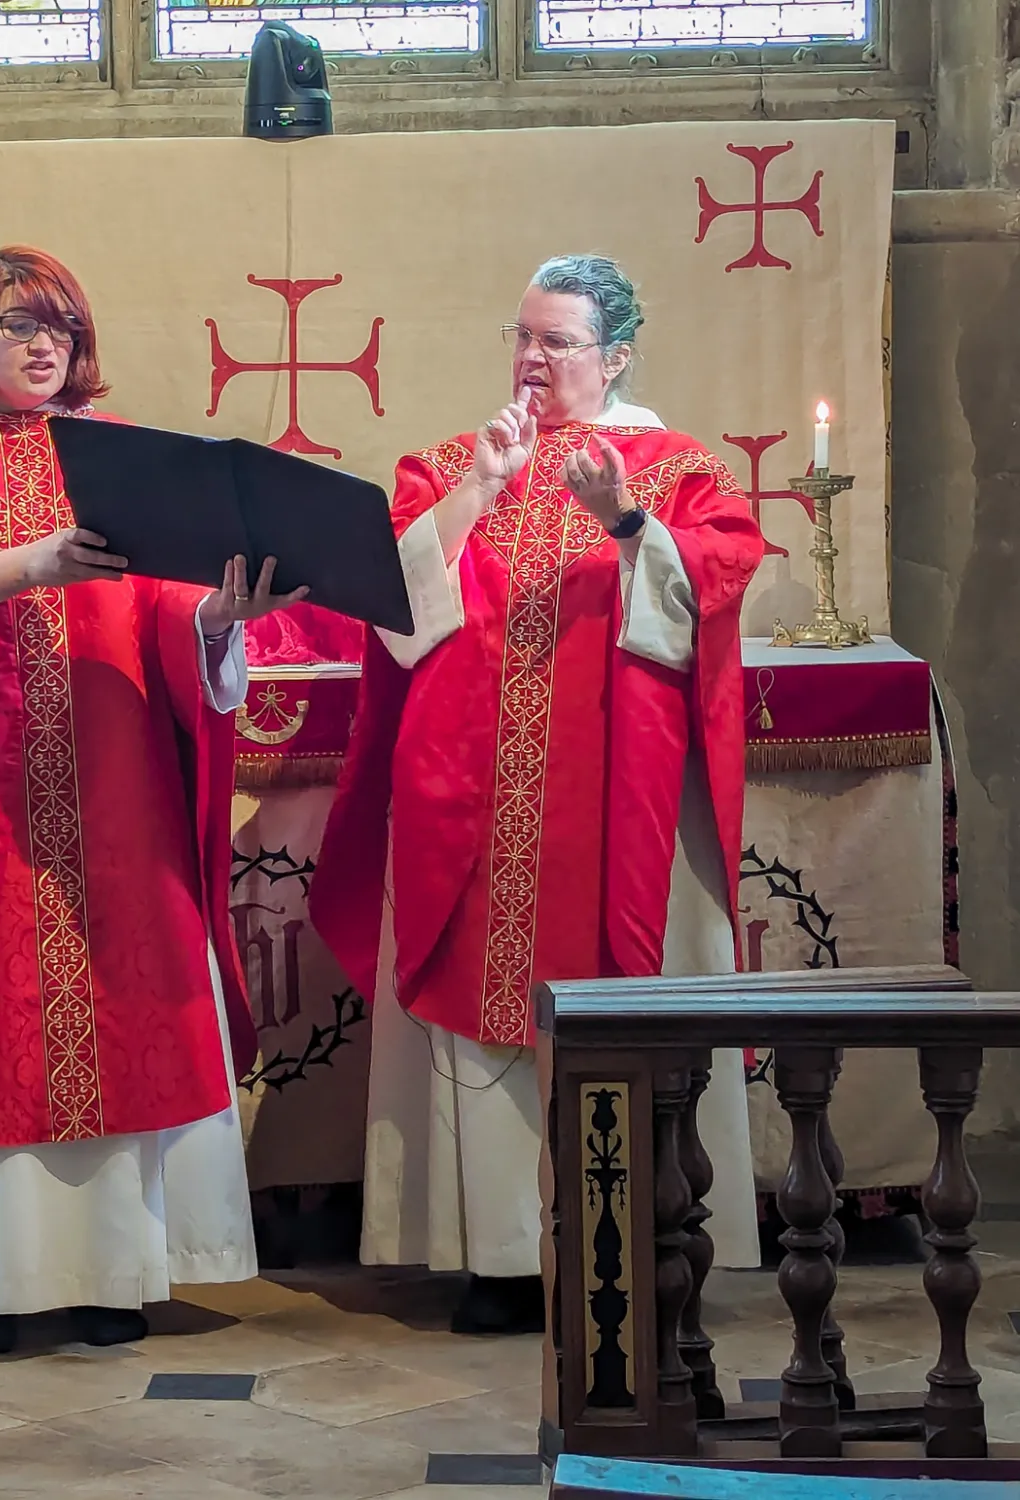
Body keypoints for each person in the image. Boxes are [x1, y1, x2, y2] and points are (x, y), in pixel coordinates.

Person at [0, 246, 305, 1353]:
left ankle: (110, 1276)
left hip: (114, 800)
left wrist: (220, 618)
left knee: (125, 1012)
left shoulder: (121, 457)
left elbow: (166, 602)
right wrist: (24, 567)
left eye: (58, 328)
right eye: (13, 326)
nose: (40, 346)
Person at [310, 254, 766, 1335]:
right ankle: (501, 1257)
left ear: (614, 358)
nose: (530, 359)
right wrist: (480, 487)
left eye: (557, 342)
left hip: (616, 804)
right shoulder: (448, 466)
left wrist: (626, 526)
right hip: (467, 802)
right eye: (522, 336)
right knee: (483, 1007)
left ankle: (640, 1240)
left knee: (612, 1002)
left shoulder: (674, 468)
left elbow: (717, 586)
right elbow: (392, 611)